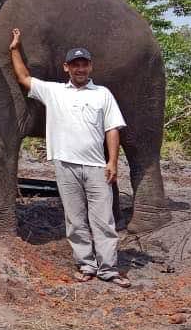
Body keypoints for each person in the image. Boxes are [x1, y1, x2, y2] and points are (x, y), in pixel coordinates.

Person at [9, 28, 130, 287]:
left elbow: (112, 129)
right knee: (75, 220)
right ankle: (87, 265)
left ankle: (108, 268)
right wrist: (14, 49)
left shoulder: (103, 94)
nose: (80, 69)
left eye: (84, 65)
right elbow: (23, 77)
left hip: (97, 167)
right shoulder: (55, 92)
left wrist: (112, 162)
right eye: (75, 65)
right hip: (65, 165)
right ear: (66, 68)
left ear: (90, 67)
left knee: (103, 220)